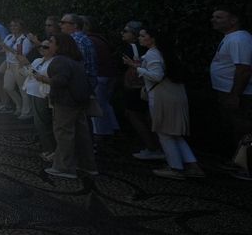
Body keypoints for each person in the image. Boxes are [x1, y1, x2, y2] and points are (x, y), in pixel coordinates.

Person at [123, 25, 203, 180]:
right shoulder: (165, 53)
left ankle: (175, 167)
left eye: (142, 35)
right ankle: (193, 166)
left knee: (164, 133)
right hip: (174, 95)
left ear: (152, 38)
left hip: (162, 97)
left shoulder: (153, 54)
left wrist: (135, 68)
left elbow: (156, 76)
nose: (139, 38)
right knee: (175, 134)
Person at [37, 32, 98, 179]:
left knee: (64, 133)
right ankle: (88, 165)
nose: (48, 44)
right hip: (78, 102)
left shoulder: (59, 61)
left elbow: (60, 81)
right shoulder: (74, 60)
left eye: (51, 41)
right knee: (81, 135)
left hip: (65, 103)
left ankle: (64, 167)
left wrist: (44, 79)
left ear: (59, 45)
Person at [208, 5, 252, 180]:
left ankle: (247, 167)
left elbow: (243, 69)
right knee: (236, 129)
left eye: (219, 17)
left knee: (244, 131)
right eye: (214, 17)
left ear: (233, 20)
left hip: (240, 94)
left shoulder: (239, 39)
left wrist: (235, 94)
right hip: (229, 92)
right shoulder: (231, 38)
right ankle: (239, 162)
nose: (214, 20)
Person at [118, 22, 161, 160]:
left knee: (135, 116)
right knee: (146, 117)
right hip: (144, 86)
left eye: (126, 31)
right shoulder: (147, 49)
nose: (122, 33)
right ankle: (156, 146)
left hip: (135, 87)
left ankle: (152, 147)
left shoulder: (133, 48)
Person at [83, 16, 121, 138]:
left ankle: (101, 134)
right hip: (109, 74)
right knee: (105, 104)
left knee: (97, 106)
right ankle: (113, 129)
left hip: (99, 76)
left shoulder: (89, 41)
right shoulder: (100, 38)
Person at [21, 37, 56, 157]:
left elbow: (40, 76)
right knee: (38, 122)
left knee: (43, 122)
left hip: (42, 95)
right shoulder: (37, 60)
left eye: (46, 47)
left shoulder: (53, 62)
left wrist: (28, 65)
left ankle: (51, 149)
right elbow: (27, 73)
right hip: (32, 92)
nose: (42, 49)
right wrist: (24, 65)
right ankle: (47, 147)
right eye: (41, 46)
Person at [0, 18, 34, 119]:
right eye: (11, 26)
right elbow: (4, 50)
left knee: (22, 89)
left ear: (21, 27)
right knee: (7, 87)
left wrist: (7, 47)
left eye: (16, 25)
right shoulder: (9, 37)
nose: (13, 27)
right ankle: (19, 106)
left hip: (19, 65)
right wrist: (1, 47)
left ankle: (26, 111)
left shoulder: (25, 39)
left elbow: (22, 55)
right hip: (9, 64)